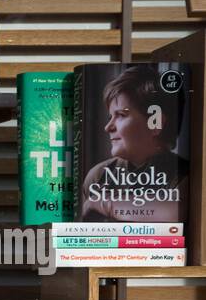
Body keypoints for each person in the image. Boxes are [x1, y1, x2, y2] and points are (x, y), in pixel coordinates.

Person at [80, 64, 189, 221]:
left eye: (121, 115)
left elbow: (175, 213)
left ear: (155, 122)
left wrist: (103, 204)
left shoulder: (184, 176)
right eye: (110, 116)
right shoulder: (98, 176)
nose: (108, 127)